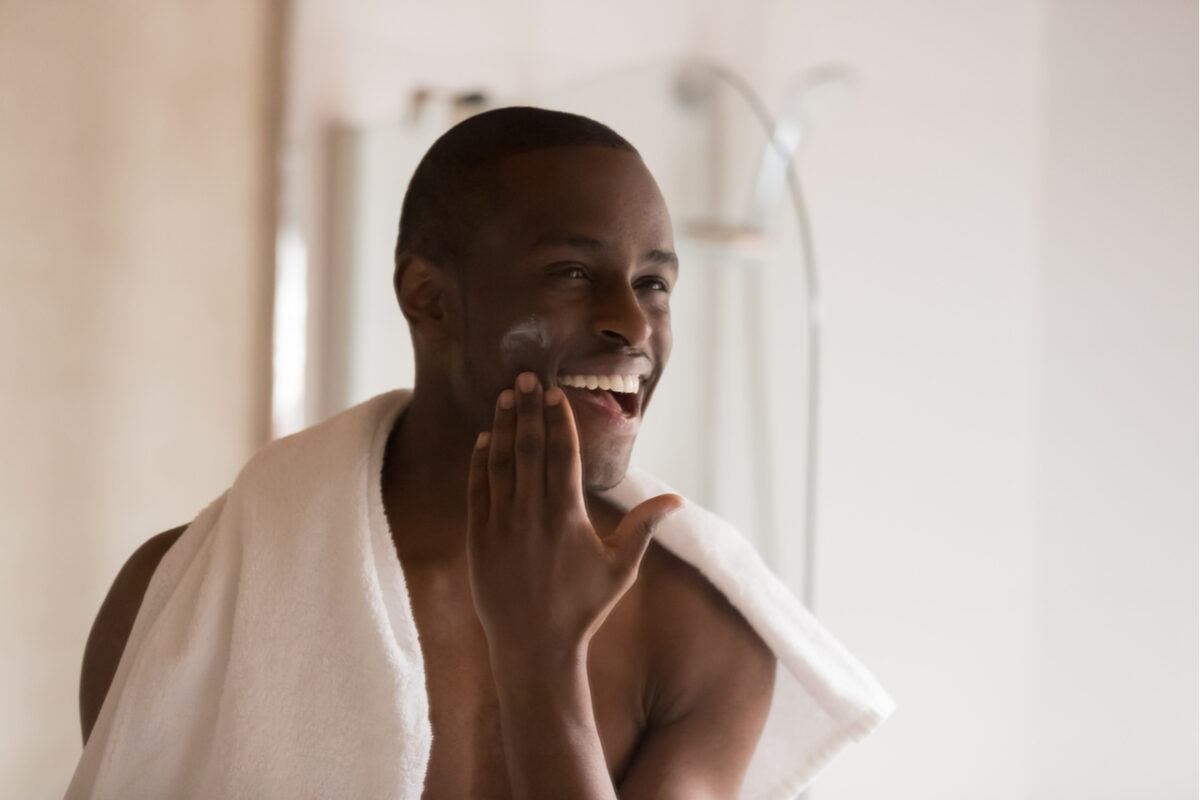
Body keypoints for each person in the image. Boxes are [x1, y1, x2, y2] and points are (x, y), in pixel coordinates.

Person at [75, 107, 889, 799]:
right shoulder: (185, 599)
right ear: (429, 299)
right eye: (573, 273)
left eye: (654, 283)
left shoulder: (701, 634)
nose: (633, 324)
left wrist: (543, 660)